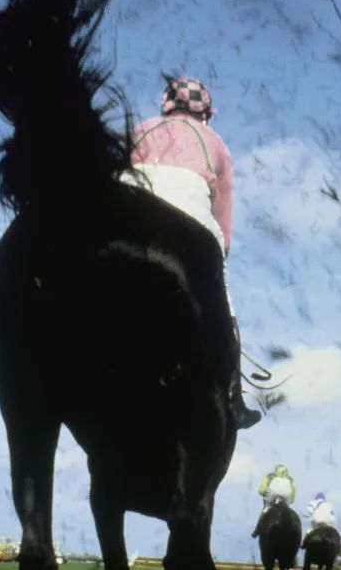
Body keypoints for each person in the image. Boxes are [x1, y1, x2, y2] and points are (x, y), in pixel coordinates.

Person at [125, 75, 260, 430]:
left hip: (131, 203)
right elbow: (223, 217)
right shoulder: (213, 142)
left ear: (166, 106)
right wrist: (218, 255)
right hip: (188, 204)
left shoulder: (139, 129)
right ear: (206, 113)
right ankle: (234, 397)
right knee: (223, 299)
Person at [251, 464, 295, 537]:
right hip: (287, 494)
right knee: (287, 511)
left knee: (266, 509)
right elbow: (293, 497)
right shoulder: (290, 479)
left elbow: (261, 491)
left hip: (274, 491)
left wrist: (265, 494)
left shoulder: (270, 475)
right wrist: (290, 501)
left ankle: (257, 530)